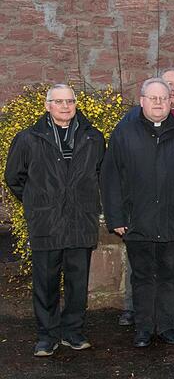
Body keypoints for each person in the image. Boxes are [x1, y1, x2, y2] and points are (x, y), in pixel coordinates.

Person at [101, 78, 174, 348]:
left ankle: (167, 327)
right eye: (153, 98)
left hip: (171, 219)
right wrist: (116, 218)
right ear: (142, 101)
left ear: (171, 102)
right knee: (143, 277)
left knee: (169, 275)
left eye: (163, 98)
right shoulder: (124, 134)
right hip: (137, 220)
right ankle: (144, 328)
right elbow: (110, 178)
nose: (159, 103)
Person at [5, 84, 105, 357]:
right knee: (46, 283)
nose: (64, 106)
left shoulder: (93, 138)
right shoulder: (28, 138)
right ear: (47, 105)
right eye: (58, 102)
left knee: (77, 283)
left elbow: (100, 174)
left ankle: (73, 331)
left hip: (80, 222)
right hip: (46, 224)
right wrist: (37, 202)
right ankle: (47, 336)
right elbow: (13, 177)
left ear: (76, 104)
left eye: (69, 101)